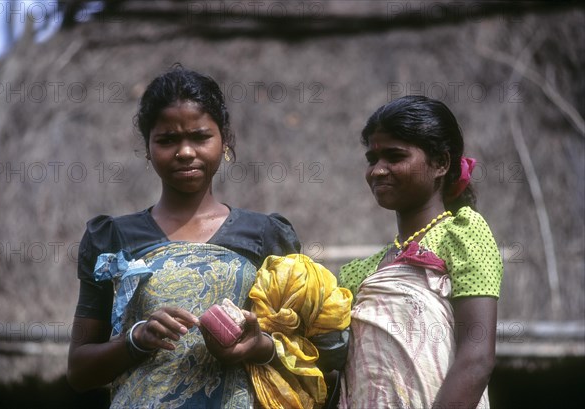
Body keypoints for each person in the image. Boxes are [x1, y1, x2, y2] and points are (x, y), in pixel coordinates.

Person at [66, 65, 302, 408]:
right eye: (167, 140)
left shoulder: (268, 236)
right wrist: (137, 339)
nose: (185, 152)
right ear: (148, 148)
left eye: (200, 136)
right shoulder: (111, 238)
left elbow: (310, 355)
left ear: (224, 141)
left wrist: (260, 346)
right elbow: (79, 371)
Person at [338, 95, 503, 409]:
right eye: (372, 159)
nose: (377, 171)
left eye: (394, 156)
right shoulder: (361, 273)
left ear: (440, 163)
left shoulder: (462, 234)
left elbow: (477, 357)